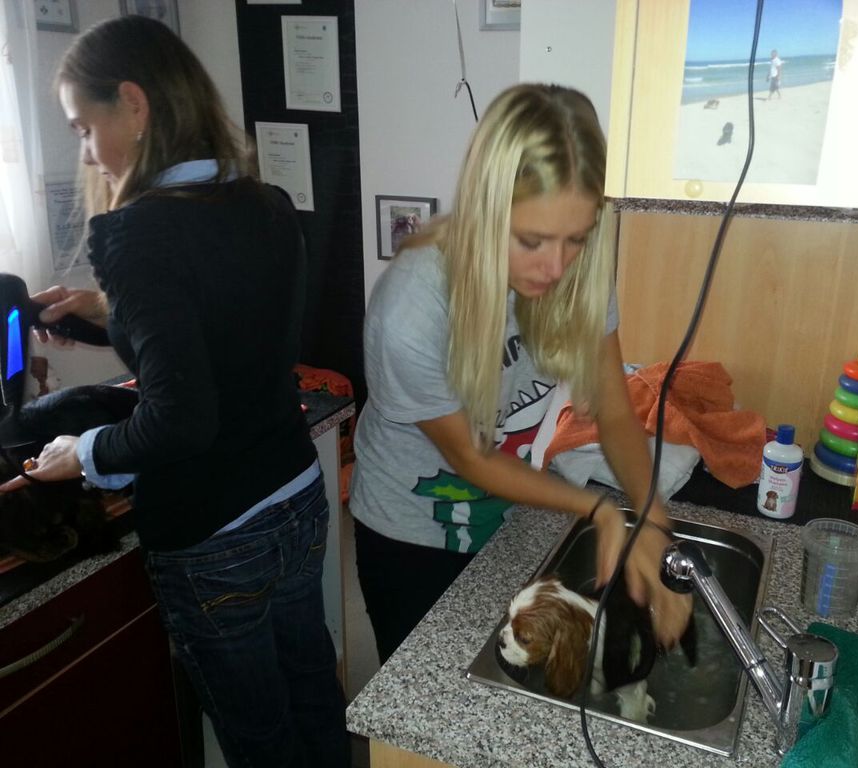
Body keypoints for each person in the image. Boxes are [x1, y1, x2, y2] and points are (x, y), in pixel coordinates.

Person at [0, 17, 349, 767]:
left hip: (217, 530)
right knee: (314, 697)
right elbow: (224, 328)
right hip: (294, 494)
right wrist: (105, 314)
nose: (85, 152)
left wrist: (82, 452)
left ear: (133, 103)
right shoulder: (263, 201)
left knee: (260, 741)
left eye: (82, 128)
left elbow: (181, 421)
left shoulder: (136, 233)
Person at [349, 83, 693, 665]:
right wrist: (599, 509)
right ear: (485, 212)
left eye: (575, 239)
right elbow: (472, 458)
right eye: (532, 241)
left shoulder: (578, 274)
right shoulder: (411, 310)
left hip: (512, 519)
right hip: (412, 539)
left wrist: (656, 528)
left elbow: (614, 409)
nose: (555, 267)